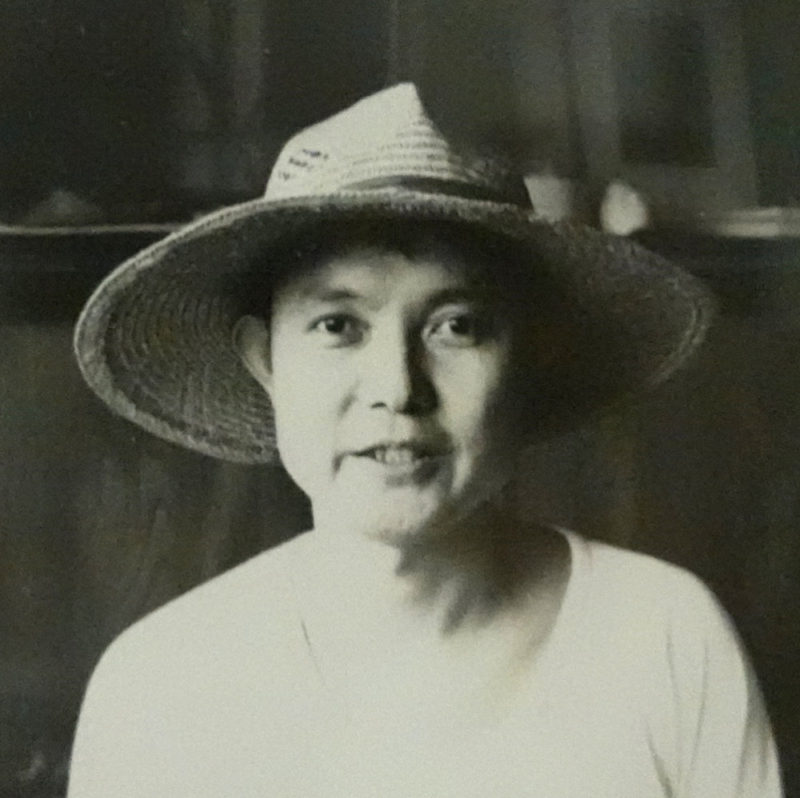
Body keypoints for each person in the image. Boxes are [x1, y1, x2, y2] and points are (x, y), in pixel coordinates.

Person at [67, 83, 782, 797]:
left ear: (527, 361)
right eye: (338, 326)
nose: (398, 387)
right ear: (265, 362)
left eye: (456, 326)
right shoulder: (160, 684)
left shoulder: (665, 638)